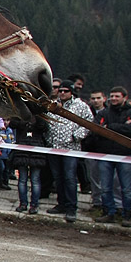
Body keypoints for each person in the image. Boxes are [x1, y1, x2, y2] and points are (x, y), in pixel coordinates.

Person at [45, 81, 92, 223]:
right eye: (61, 90)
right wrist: (48, 137)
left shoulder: (81, 106)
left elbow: (88, 122)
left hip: (71, 149)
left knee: (70, 178)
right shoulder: (52, 104)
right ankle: (61, 204)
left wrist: (76, 136)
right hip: (54, 147)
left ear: (71, 92)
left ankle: (72, 207)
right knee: (58, 177)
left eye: (66, 91)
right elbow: (46, 120)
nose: (63, 93)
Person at [92, 87, 131, 227]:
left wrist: (109, 127)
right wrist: (120, 127)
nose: (114, 98)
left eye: (117, 96)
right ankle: (108, 212)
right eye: (112, 96)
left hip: (125, 155)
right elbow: (97, 129)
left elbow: (130, 130)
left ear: (124, 97)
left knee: (127, 188)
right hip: (106, 154)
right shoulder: (104, 112)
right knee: (105, 186)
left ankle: (127, 215)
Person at [8, 116, 46, 214]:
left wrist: (35, 118)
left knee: (35, 180)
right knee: (23, 179)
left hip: (36, 150)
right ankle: (23, 203)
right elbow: (13, 124)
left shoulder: (40, 116)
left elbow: (43, 126)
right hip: (22, 150)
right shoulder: (20, 114)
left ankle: (34, 205)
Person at [85, 90, 107, 213]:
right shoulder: (88, 112)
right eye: (93, 98)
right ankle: (97, 202)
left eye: (98, 98)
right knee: (93, 178)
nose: (95, 100)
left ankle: (109, 203)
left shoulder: (108, 112)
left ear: (104, 98)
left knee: (108, 180)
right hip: (91, 149)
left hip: (106, 150)